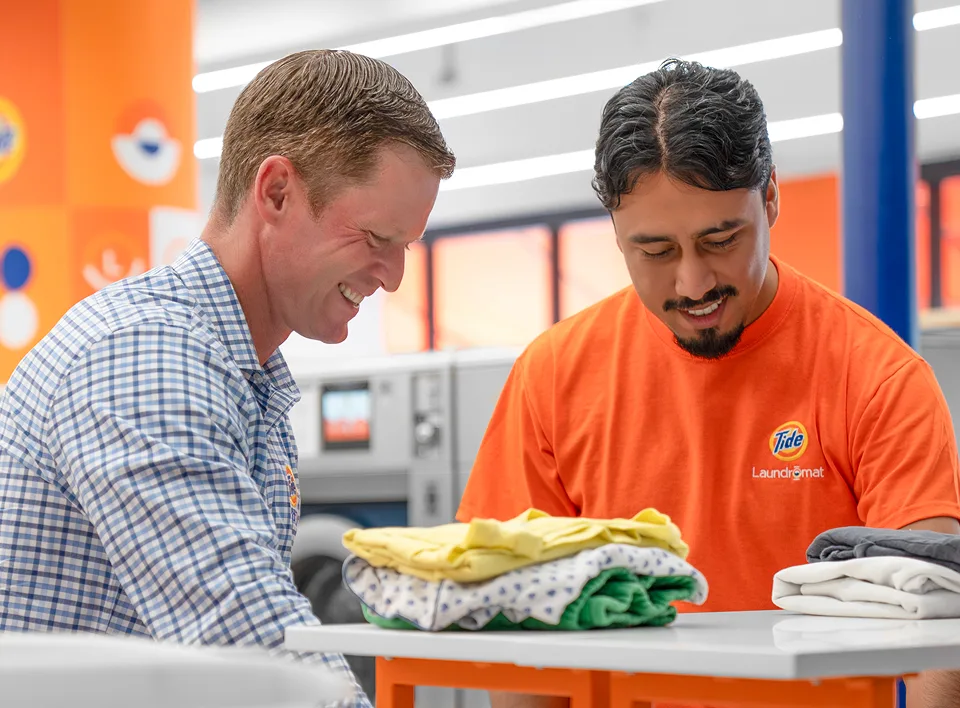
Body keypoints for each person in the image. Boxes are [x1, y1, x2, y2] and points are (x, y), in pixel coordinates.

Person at [457, 59, 960, 708]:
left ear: (770, 197)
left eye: (720, 240)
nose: (693, 284)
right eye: (656, 252)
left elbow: (934, 617)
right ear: (616, 231)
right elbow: (516, 616)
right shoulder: (553, 375)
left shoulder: (876, 375)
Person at [0, 49, 454, 707]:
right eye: (375, 237)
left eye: (405, 246)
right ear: (276, 192)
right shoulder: (146, 357)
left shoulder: (242, 374)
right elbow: (249, 639)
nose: (393, 277)